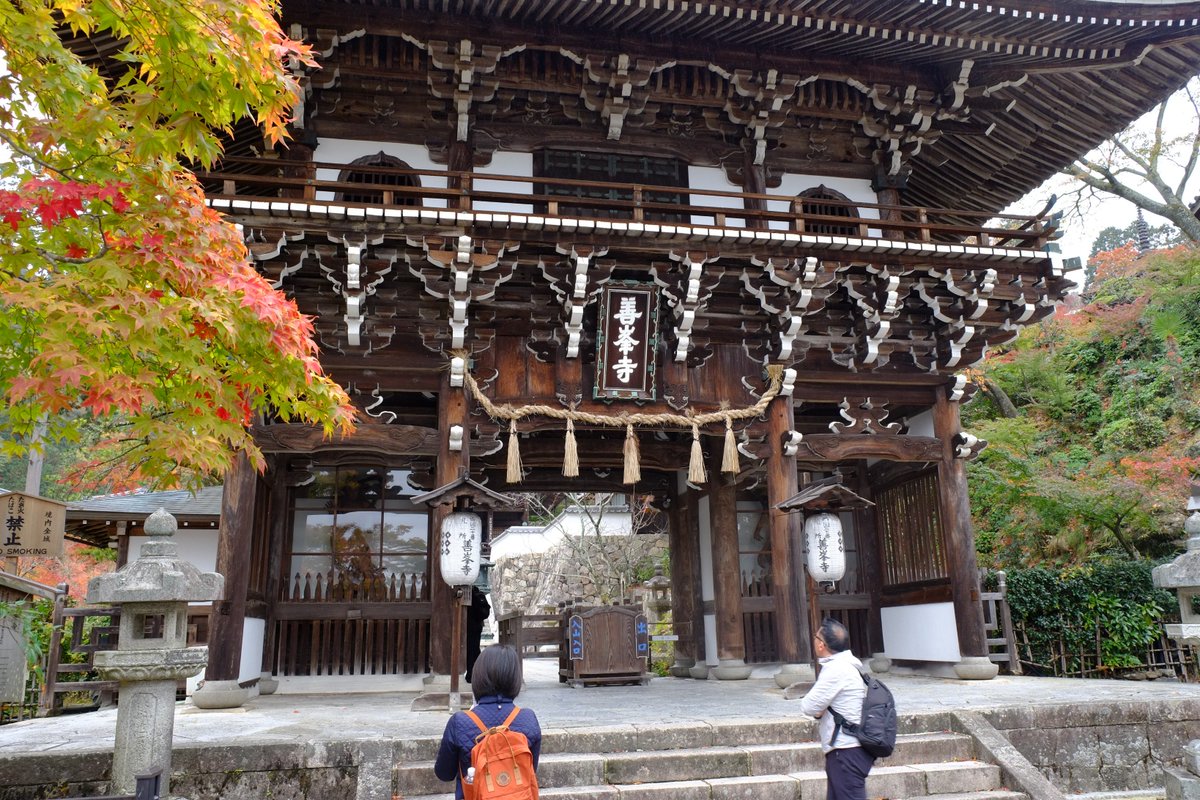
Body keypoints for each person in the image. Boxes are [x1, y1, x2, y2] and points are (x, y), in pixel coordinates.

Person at [434, 644, 542, 799]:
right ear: (515, 679)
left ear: (478, 677)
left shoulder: (460, 722)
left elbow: (444, 773)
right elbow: (531, 768)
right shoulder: (528, 718)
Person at [799, 618, 874, 800]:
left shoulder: (836, 669)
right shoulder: (850, 666)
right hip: (849, 748)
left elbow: (808, 706)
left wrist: (821, 709)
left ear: (821, 645)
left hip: (845, 750)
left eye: (816, 637)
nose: (814, 640)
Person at [464, 586, 491, 683]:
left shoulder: (465, 593)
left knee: (470, 651)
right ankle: (474, 674)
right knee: (474, 650)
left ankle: (472, 674)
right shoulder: (478, 594)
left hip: (467, 625)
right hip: (476, 626)